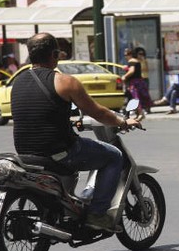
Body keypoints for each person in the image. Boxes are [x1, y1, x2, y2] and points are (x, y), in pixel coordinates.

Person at [10, 33, 141, 232]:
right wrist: (122, 122)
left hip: (25, 153)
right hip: (59, 152)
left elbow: (41, 112)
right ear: (55, 54)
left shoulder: (17, 82)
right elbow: (97, 112)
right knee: (114, 156)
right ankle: (97, 214)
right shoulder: (65, 82)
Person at [121, 47, 151, 121]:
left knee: (136, 98)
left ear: (130, 55)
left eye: (126, 54)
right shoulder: (136, 61)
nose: (125, 56)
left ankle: (141, 114)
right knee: (136, 98)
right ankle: (138, 114)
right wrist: (127, 68)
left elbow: (132, 71)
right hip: (139, 81)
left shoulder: (131, 61)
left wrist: (124, 76)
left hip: (135, 83)